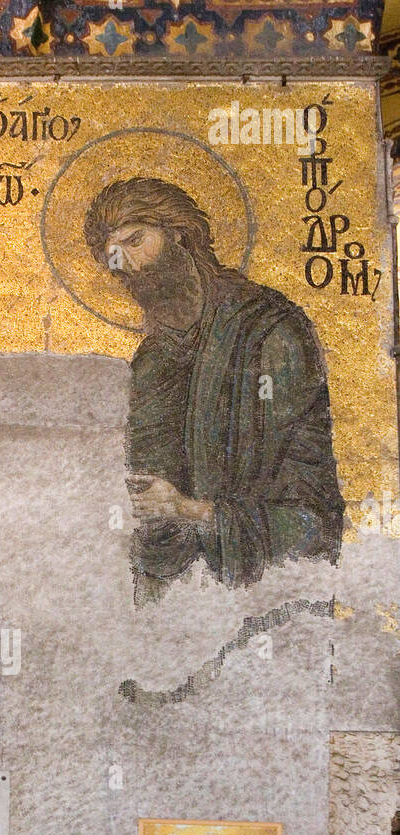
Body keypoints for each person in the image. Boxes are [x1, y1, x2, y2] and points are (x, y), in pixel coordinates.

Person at [83, 177, 344, 605]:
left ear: (182, 236)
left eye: (135, 240)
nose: (125, 263)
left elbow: (310, 518)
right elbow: (149, 497)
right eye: (111, 254)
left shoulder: (269, 332)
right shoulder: (151, 362)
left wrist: (191, 511)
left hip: (272, 594)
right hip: (180, 601)